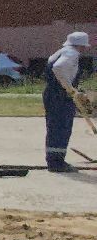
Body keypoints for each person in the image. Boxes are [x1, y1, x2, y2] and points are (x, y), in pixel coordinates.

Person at [42, 30, 90, 172]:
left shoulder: (61, 51)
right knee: (61, 128)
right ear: (81, 45)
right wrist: (69, 88)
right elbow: (59, 68)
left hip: (53, 93)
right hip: (60, 96)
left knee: (55, 127)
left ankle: (54, 160)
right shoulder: (71, 54)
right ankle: (57, 163)